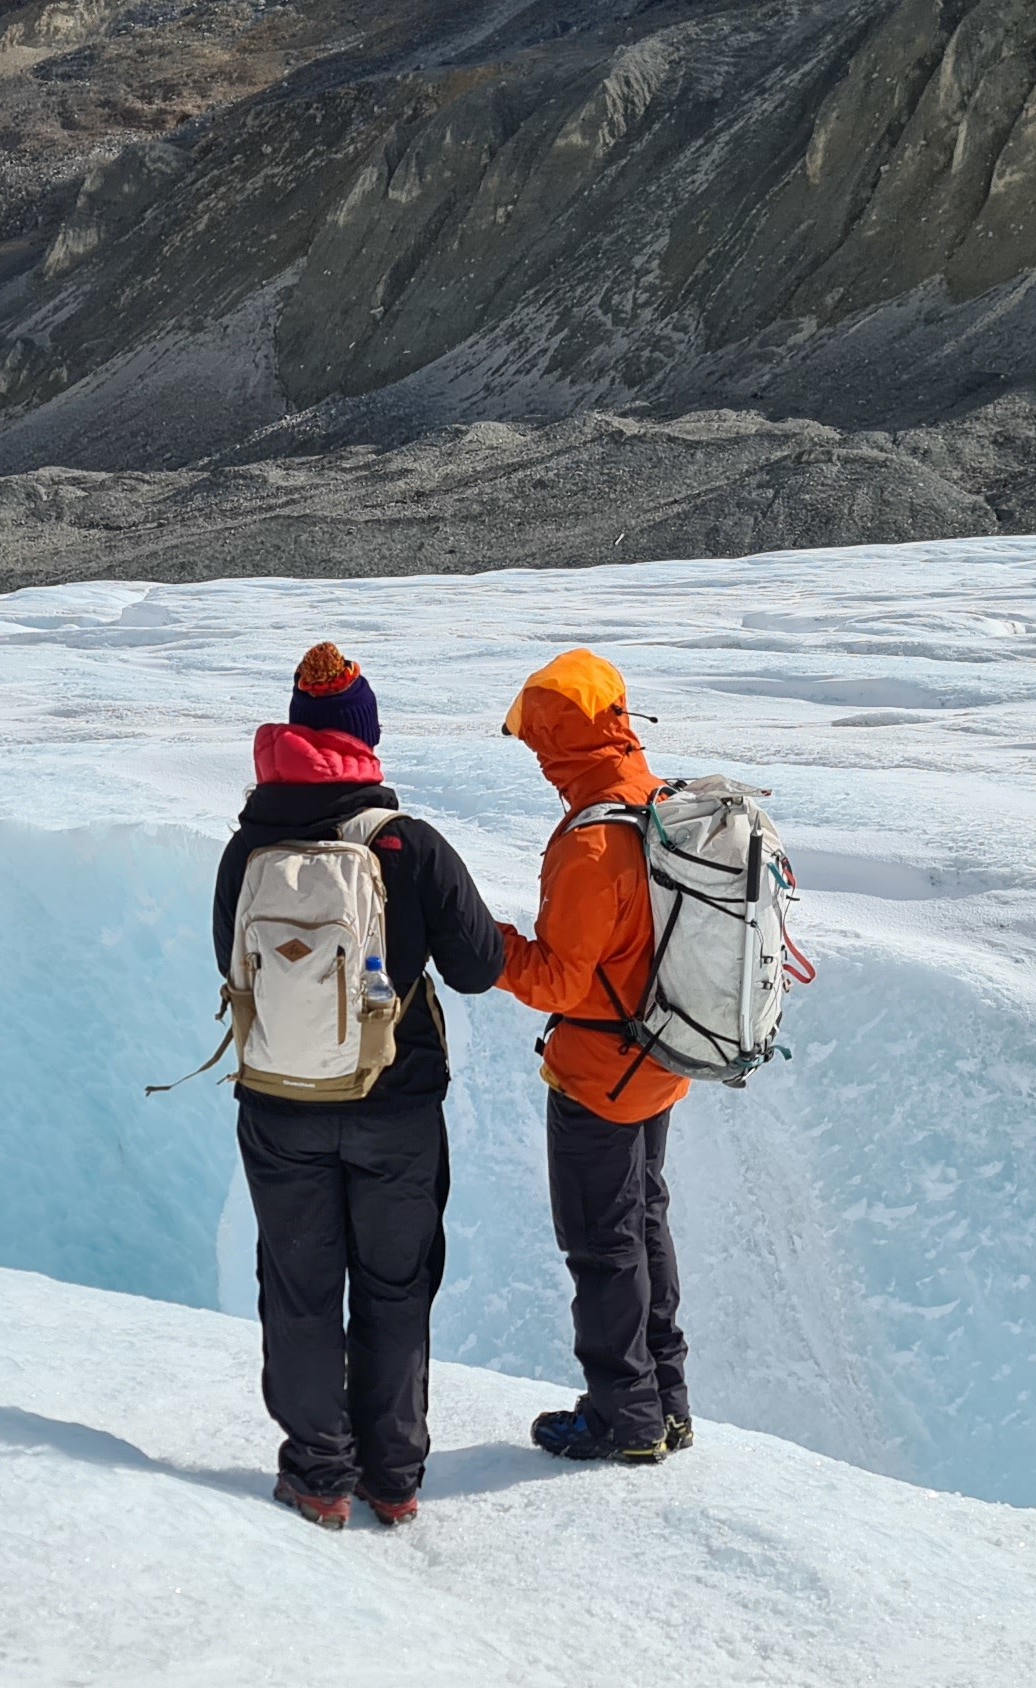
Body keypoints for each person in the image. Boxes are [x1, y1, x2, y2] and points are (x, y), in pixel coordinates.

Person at [213, 643, 502, 1530]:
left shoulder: (248, 846)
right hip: (396, 1105)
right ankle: (394, 1478)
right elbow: (481, 967)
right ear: (367, 739)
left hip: (280, 1106)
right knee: (394, 1285)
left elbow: (230, 962)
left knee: (300, 1289)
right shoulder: (408, 844)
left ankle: (317, 1475)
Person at [494, 648, 693, 1465]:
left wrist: (487, 942)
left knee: (602, 1243)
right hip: (663, 1054)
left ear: (560, 742)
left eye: (540, 743)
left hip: (599, 1077)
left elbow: (560, 981)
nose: (538, 761)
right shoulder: (660, 801)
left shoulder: (590, 844)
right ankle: (665, 1402)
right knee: (644, 1223)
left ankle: (624, 1417)